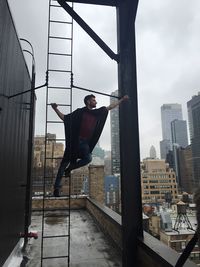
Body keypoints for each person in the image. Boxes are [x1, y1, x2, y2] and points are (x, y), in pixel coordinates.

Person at [51, 94, 129, 197]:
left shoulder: (97, 113)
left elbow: (110, 107)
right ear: (88, 102)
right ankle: (56, 188)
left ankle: (70, 168)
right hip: (74, 142)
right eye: (93, 100)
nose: (96, 102)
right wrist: (55, 109)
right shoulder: (79, 112)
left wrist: (122, 100)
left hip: (84, 144)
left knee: (88, 158)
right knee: (63, 164)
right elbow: (65, 118)